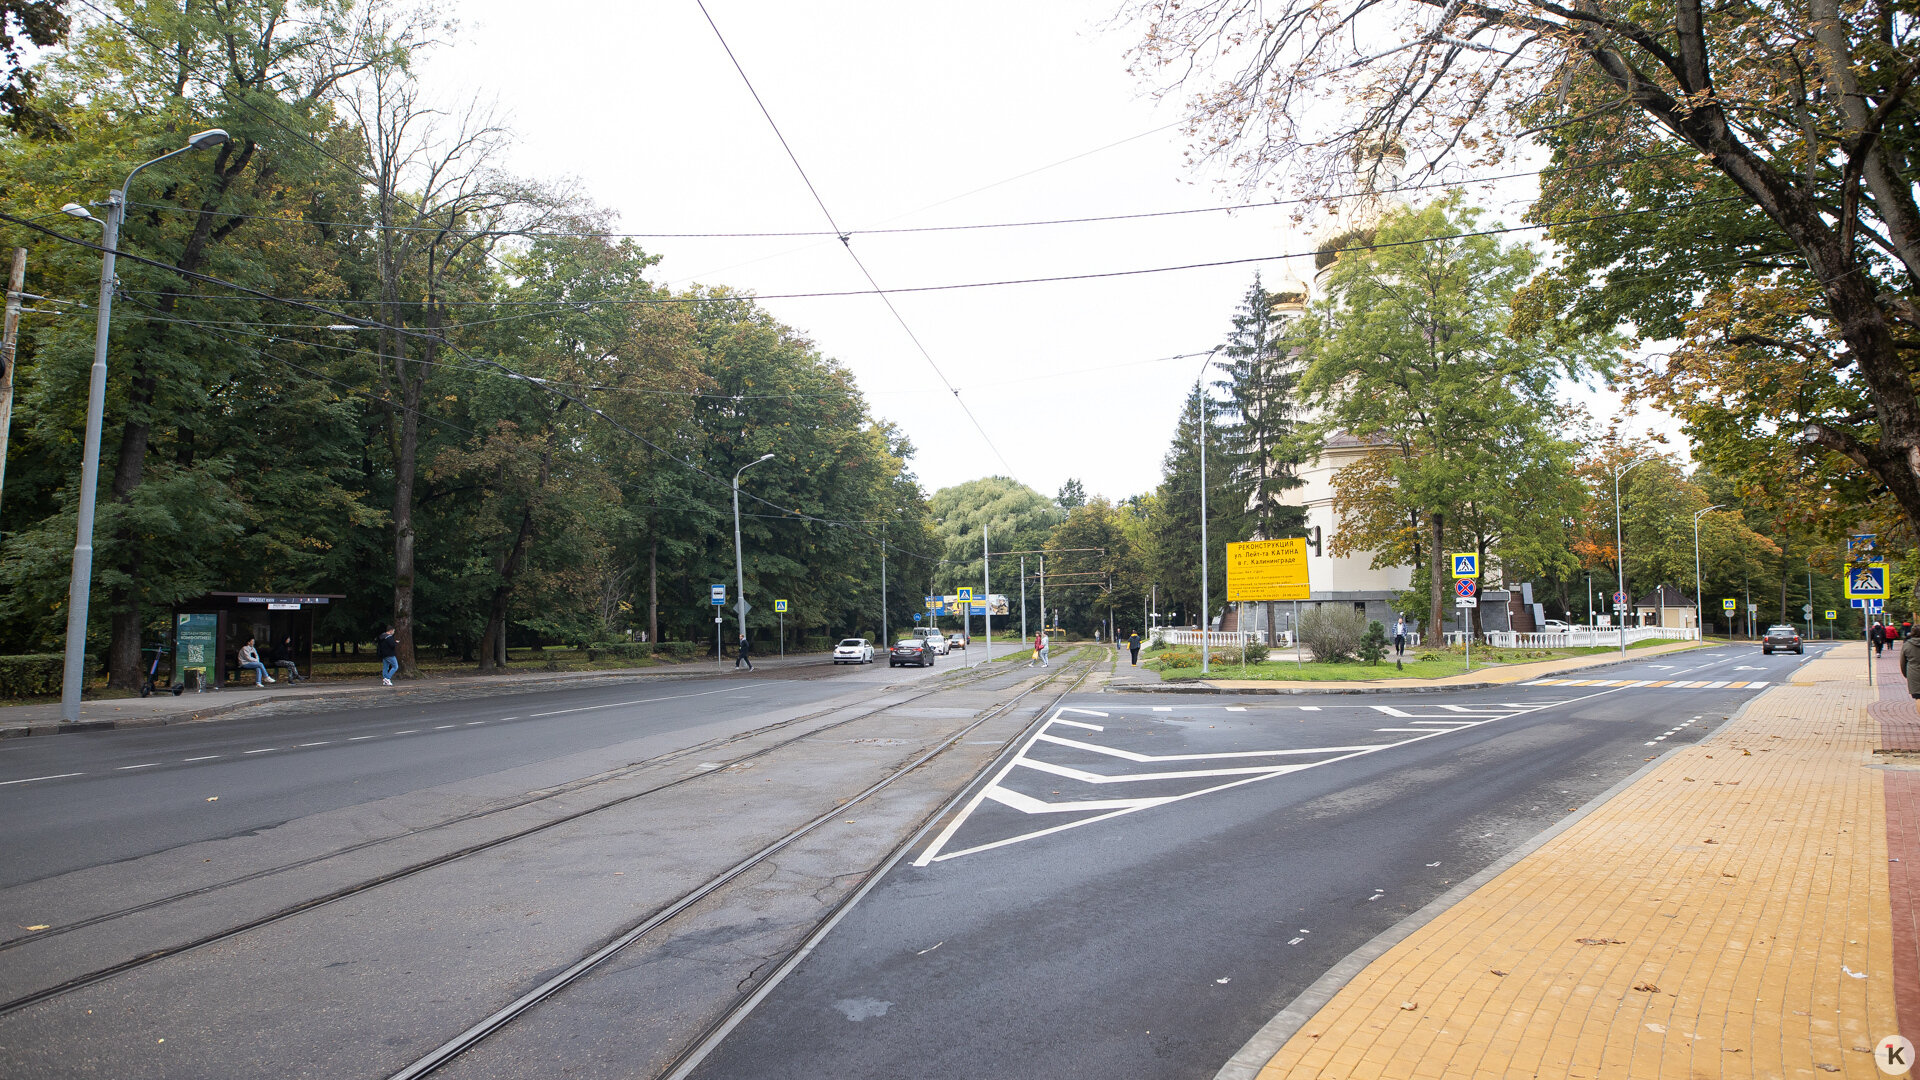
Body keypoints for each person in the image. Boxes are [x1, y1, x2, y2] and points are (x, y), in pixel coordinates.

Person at [1902, 627, 1920, 700]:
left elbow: (1902, 662)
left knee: (1918, 697)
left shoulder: (1907, 645)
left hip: (1913, 673)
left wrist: (1906, 674)